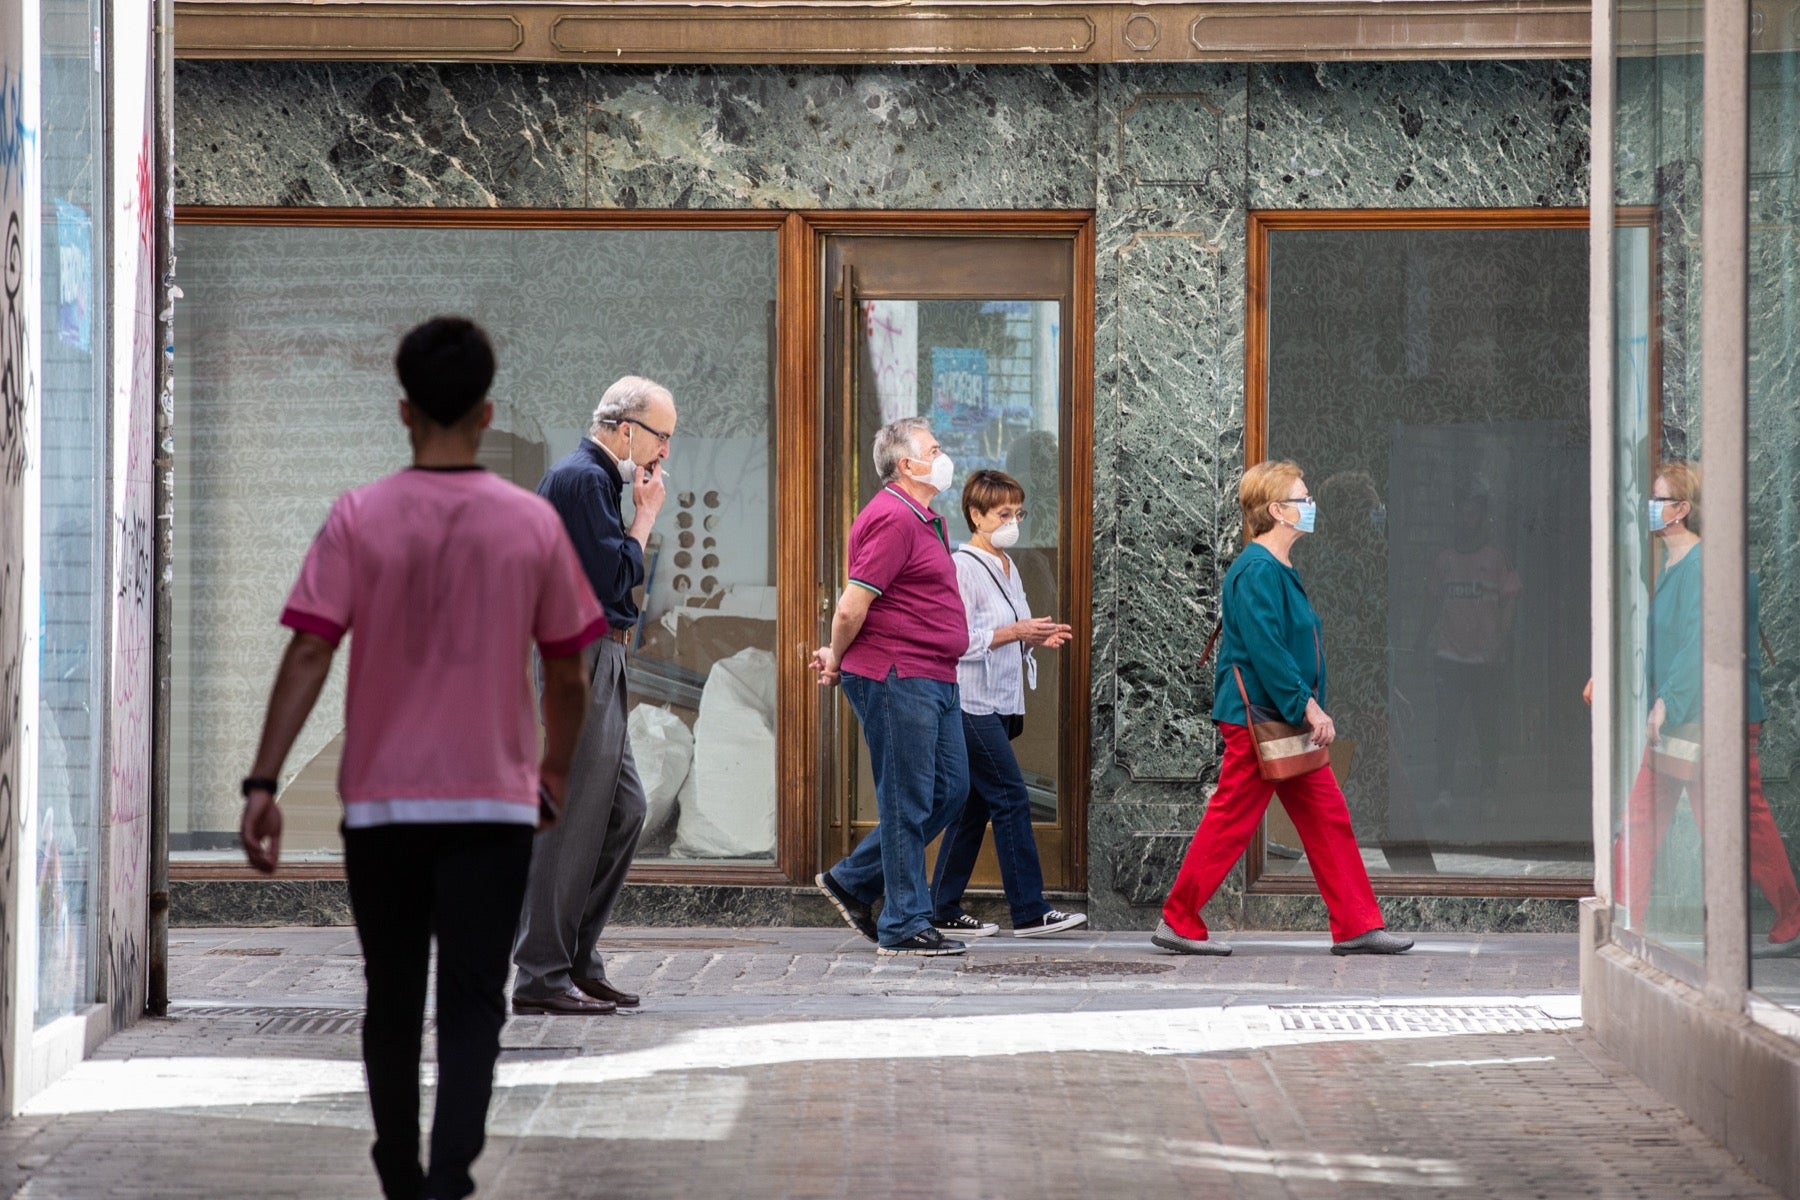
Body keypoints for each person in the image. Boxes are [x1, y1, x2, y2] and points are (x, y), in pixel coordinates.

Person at [238, 317, 604, 1200]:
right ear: (484, 413)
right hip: (494, 808)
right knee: (477, 995)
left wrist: (263, 783)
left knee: (392, 993)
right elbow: (569, 674)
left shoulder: (359, 517)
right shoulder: (531, 524)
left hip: (383, 809)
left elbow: (311, 652)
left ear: (404, 411)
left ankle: (398, 1170)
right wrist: (553, 773)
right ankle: (450, 1176)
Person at [1153, 460, 1414, 957]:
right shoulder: (1256, 569)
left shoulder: (1274, 567)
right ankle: (1177, 919)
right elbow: (1268, 650)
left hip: (1277, 719)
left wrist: (1304, 706)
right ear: (1276, 509)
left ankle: (1358, 924)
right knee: (1232, 818)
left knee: (1326, 816)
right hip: (1261, 720)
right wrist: (1309, 707)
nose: (1311, 507)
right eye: (1303, 499)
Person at [512, 375, 676, 1014]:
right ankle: (540, 973)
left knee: (623, 810)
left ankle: (575, 956)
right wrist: (646, 520)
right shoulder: (584, 479)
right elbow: (615, 580)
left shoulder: (594, 479)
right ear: (627, 428)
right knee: (574, 814)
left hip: (596, 655)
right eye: (662, 436)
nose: (665, 451)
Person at [1599, 462, 1800, 957]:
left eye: (1660, 498)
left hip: (1708, 717)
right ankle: (1625, 913)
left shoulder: (1701, 565)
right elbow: (1663, 641)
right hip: (1687, 715)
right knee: (1653, 813)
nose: (1651, 506)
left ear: (1682, 509)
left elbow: (1697, 643)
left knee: (1735, 819)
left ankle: (1793, 913)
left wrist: (1666, 703)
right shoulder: (1673, 564)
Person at [812, 417, 972, 956]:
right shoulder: (892, 518)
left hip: (934, 675)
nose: (943, 455)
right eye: (934, 448)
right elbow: (852, 604)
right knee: (907, 801)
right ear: (908, 465)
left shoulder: (924, 518)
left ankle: (854, 880)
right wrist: (835, 657)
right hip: (897, 675)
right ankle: (904, 923)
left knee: (949, 790)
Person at [928, 469, 1085, 939]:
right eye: (1003, 513)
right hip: (970, 702)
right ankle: (1029, 909)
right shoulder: (962, 567)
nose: (1013, 521)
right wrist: (1017, 632)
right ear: (975, 515)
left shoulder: (1007, 566)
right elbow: (955, 641)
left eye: (1018, 513)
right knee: (1011, 797)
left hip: (999, 702)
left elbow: (1009, 630)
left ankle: (942, 906)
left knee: (974, 805)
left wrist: (1035, 636)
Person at [1421, 492, 1522, 814]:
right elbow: (1432, 603)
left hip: (1485, 659)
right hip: (1449, 656)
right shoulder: (1445, 558)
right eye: (1462, 514)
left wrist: (1499, 643)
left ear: (1482, 519)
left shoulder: (1496, 557)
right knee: (1446, 727)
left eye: (1473, 514)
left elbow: (1510, 601)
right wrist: (1420, 640)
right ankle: (1444, 792)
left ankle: (1489, 790)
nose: (1467, 520)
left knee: (1486, 726)